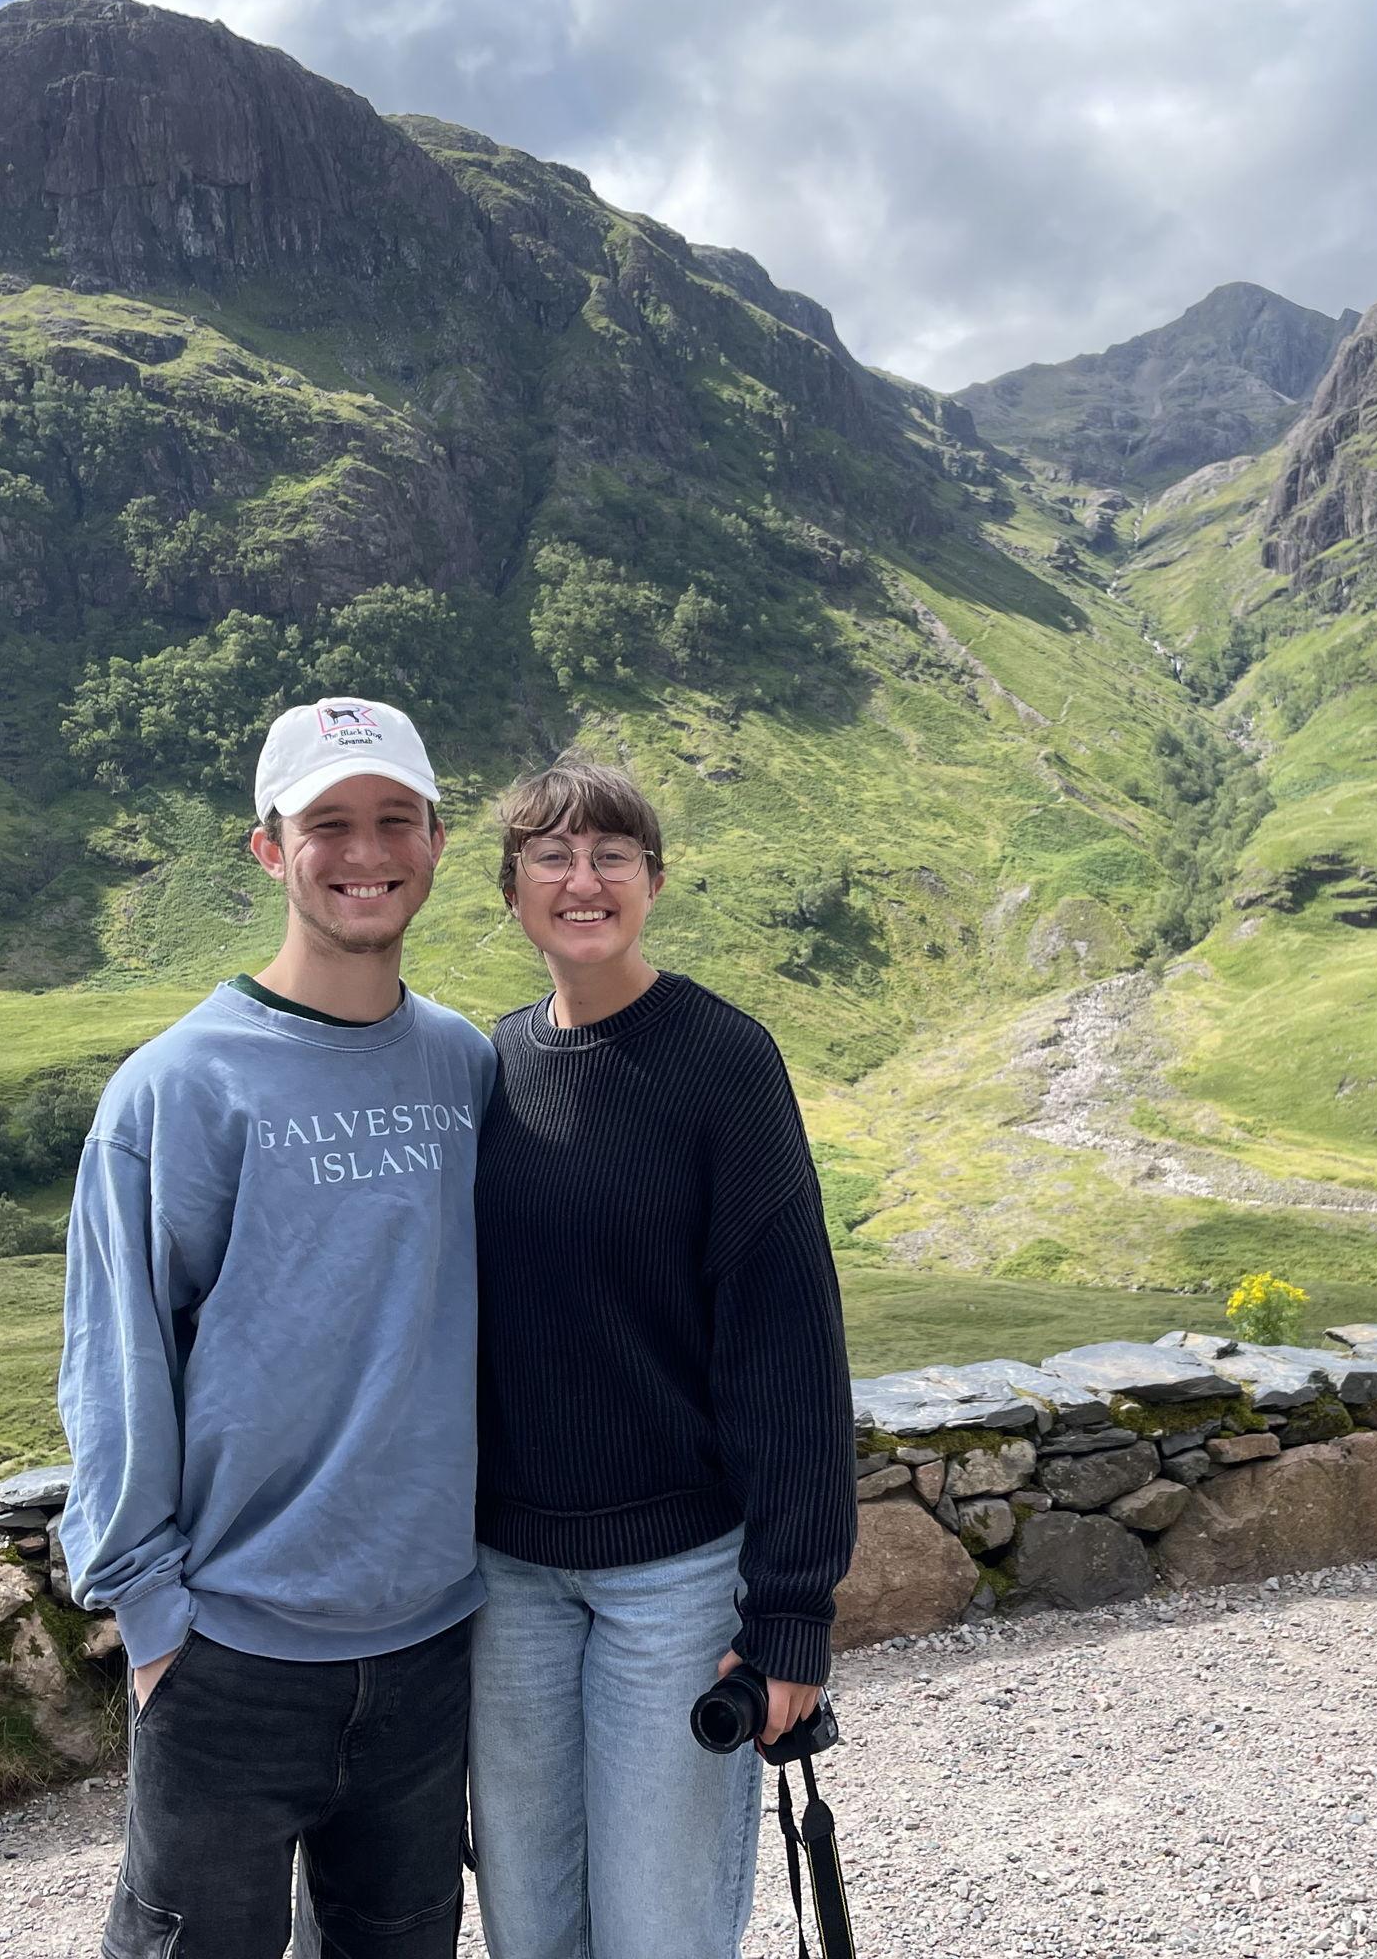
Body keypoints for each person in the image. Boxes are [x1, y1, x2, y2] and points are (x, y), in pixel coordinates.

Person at [58, 696, 495, 1959]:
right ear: (268, 847)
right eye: (330, 823)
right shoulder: (176, 1087)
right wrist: (152, 1621)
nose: (367, 850)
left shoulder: (463, 1065)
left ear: (436, 839)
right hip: (231, 1654)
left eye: (394, 819)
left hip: (428, 1647)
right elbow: (116, 1363)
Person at [469, 752, 857, 1959]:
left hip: (676, 1584)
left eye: (610, 855)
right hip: (505, 1583)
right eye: (552, 854)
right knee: (530, 1925)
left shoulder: (723, 1063)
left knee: (659, 1933)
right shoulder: (482, 1069)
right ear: (512, 885)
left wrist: (790, 1610)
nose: (581, 879)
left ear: (653, 879)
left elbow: (788, 1342)